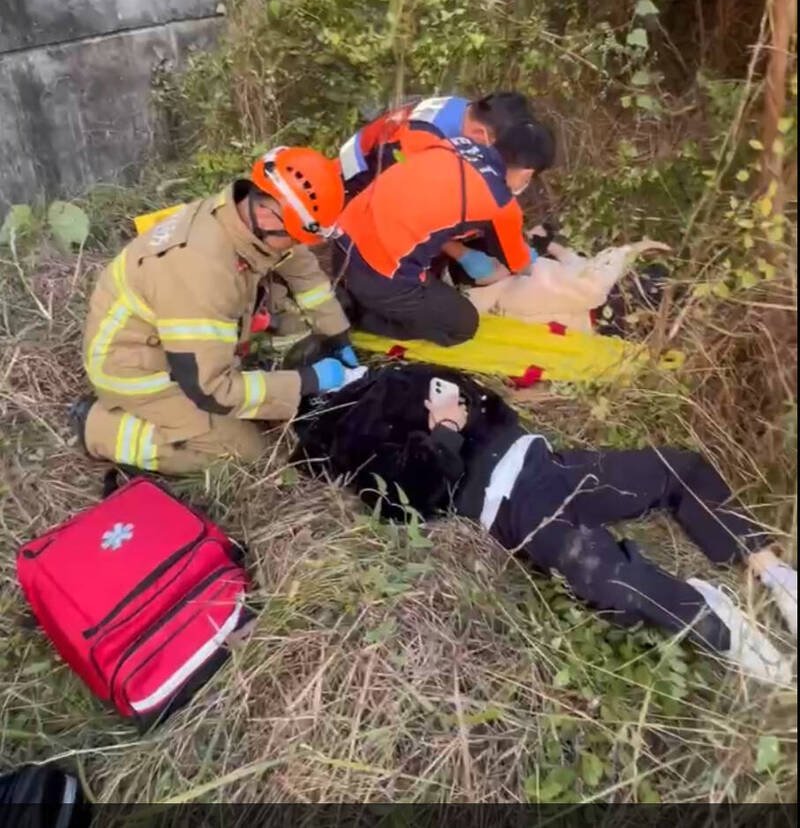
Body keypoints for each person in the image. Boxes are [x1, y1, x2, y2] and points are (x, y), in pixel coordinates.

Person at [294, 363, 797, 684]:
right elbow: (405, 502)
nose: (345, 371)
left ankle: (773, 575)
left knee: (678, 469)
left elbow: (489, 403)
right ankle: (718, 624)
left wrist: (477, 408)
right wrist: (446, 427)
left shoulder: (401, 372)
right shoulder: (353, 431)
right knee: (604, 576)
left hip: (552, 464)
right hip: (515, 503)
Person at [72, 147, 357, 475]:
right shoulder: (203, 271)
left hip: (173, 344)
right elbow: (212, 390)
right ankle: (97, 427)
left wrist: (337, 335)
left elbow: (304, 273)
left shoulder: (236, 214)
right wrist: (308, 380)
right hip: (135, 369)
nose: (295, 245)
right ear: (268, 217)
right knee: (248, 455)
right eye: (294, 237)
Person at [334, 122, 555, 346]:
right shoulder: (501, 204)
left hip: (343, 237)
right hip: (377, 274)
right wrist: (529, 257)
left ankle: (356, 293)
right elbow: (520, 265)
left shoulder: (454, 143)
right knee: (462, 325)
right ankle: (356, 316)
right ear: (527, 173)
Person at [338, 91, 538, 200]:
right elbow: (404, 195)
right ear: (480, 134)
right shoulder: (421, 136)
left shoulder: (469, 111)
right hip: (354, 177)